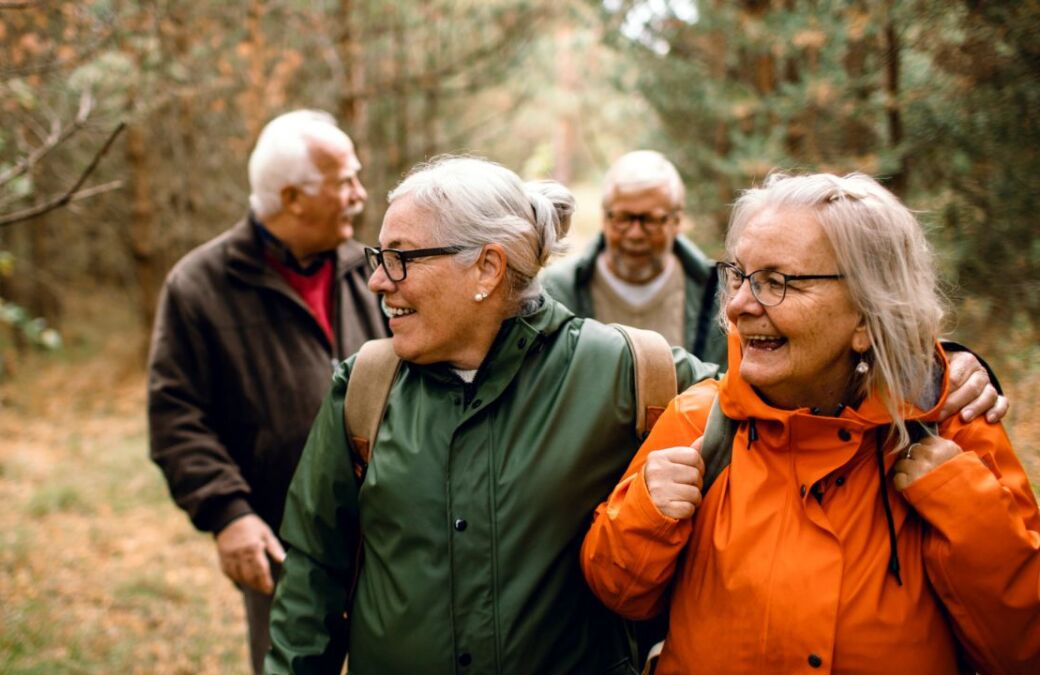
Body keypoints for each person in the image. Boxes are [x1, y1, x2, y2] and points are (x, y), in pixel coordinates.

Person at [264, 159, 1007, 674]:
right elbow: (312, 580)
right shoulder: (364, 388)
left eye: (401, 258)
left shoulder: (628, 372)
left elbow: (795, 389)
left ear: (486, 268)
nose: (379, 280)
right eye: (379, 257)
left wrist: (941, 365)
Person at [581, 172, 1039, 674]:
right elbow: (620, 596)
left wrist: (963, 505)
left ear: (867, 316)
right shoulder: (697, 424)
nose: (737, 306)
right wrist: (645, 514)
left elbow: (1021, 649)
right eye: (739, 276)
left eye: (776, 282)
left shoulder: (956, 432)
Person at [147, 110, 388, 675]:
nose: (360, 193)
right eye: (345, 181)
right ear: (293, 197)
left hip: (391, 529)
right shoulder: (199, 285)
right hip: (285, 545)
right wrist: (228, 513)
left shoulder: (371, 270)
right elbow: (176, 415)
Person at [542, 150, 727, 365]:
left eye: (650, 220)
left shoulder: (716, 295)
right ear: (604, 217)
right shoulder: (558, 290)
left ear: (676, 221)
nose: (635, 234)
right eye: (623, 218)